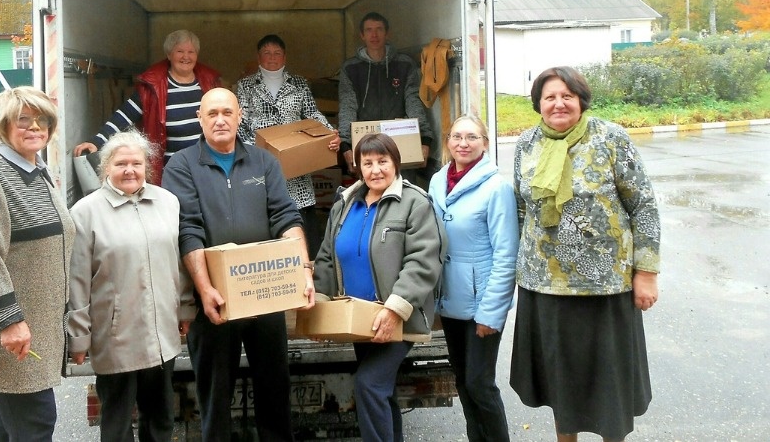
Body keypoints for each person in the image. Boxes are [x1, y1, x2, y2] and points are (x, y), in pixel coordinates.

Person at [510, 66, 661, 442]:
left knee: (608, 384)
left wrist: (647, 271)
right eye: (550, 97)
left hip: (604, 287)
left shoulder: (611, 139)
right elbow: (520, 209)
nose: (558, 104)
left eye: (567, 96)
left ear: (581, 100)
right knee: (562, 384)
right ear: (538, 104)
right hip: (545, 286)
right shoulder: (527, 145)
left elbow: (643, 206)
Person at [162, 88, 315, 442]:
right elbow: (189, 230)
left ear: (240, 116)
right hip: (214, 301)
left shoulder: (264, 162)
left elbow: (285, 217)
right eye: (212, 113)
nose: (220, 120)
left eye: (227, 112)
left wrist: (303, 271)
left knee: (275, 389)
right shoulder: (182, 165)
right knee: (215, 396)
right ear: (199, 117)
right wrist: (205, 290)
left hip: (265, 294)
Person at [0, 86, 75, 441]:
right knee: (35, 424)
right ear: (3, 126)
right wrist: (9, 322)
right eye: (23, 120)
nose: (35, 127)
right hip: (12, 333)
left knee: (6, 430)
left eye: (43, 120)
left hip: (34, 326)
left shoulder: (37, 172)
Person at [312, 132, 445, 442]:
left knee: (369, 385)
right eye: (367, 162)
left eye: (383, 161)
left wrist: (395, 309)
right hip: (360, 319)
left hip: (396, 318)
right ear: (357, 166)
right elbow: (327, 258)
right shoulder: (345, 203)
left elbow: (422, 261)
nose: (375, 170)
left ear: (395, 163)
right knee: (382, 394)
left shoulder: (414, 202)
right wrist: (319, 306)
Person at [68, 130, 192, 442]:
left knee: (161, 419)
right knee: (117, 423)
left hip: (160, 332)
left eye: (136, 163)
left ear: (147, 167)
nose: (129, 170)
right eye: (120, 163)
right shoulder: (85, 212)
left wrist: (185, 307)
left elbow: (180, 262)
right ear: (105, 168)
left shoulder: (168, 203)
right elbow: (77, 280)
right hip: (115, 336)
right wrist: (79, 337)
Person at [428, 115, 518, 442]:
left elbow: (506, 254)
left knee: (481, 383)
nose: (463, 143)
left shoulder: (496, 188)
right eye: (456, 137)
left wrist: (491, 312)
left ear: (485, 143)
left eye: (472, 137)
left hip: (482, 303)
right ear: (448, 141)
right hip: (451, 299)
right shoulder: (437, 181)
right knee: (463, 381)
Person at [236, 33, 341, 257]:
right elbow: (240, 122)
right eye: (266, 53)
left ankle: (306, 272)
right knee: (264, 222)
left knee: (301, 222)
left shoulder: (300, 83)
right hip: (259, 163)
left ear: (284, 56)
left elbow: (312, 114)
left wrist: (328, 134)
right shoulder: (245, 85)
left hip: (296, 165)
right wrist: (254, 151)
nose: (272, 57)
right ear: (258, 57)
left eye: (277, 53)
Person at [73, 29, 221, 185]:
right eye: (180, 51)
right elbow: (124, 116)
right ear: (169, 54)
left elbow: (226, 118)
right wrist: (97, 141)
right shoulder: (152, 86)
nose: (186, 57)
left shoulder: (210, 82)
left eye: (191, 52)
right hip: (171, 171)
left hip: (206, 167)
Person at [337, 12, 434, 180]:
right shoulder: (351, 68)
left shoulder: (404, 64)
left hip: (400, 142)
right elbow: (347, 106)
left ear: (387, 33)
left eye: (379, 29)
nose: (374, 35)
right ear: (362, 35)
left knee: (403, 196)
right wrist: (346, 145)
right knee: (372, 198)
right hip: (367, 144)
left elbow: (413, 101)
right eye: (369, 30)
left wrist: (425, 139)